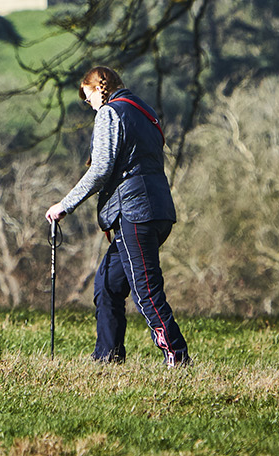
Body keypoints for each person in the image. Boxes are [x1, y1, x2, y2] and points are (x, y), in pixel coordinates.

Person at [46, 65, 191, 368]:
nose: (90, 105)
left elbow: (100, 170)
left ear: (99, 87)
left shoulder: (110, 113)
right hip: (158, 210)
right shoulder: (145, 112)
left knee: (145, 291)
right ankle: (107, 358)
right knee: (107, 284)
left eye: (88, 98)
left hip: (134, 213)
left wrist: (64, 205)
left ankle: (177, 357)